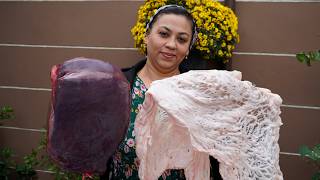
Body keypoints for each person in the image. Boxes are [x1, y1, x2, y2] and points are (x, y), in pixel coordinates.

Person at [102, 4, 222, 180]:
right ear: (146, 36)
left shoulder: (200, 92)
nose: (172, 45)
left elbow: (217, 151)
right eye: (164, 34)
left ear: (188, 48)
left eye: (181, 39)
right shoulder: (118, 86)